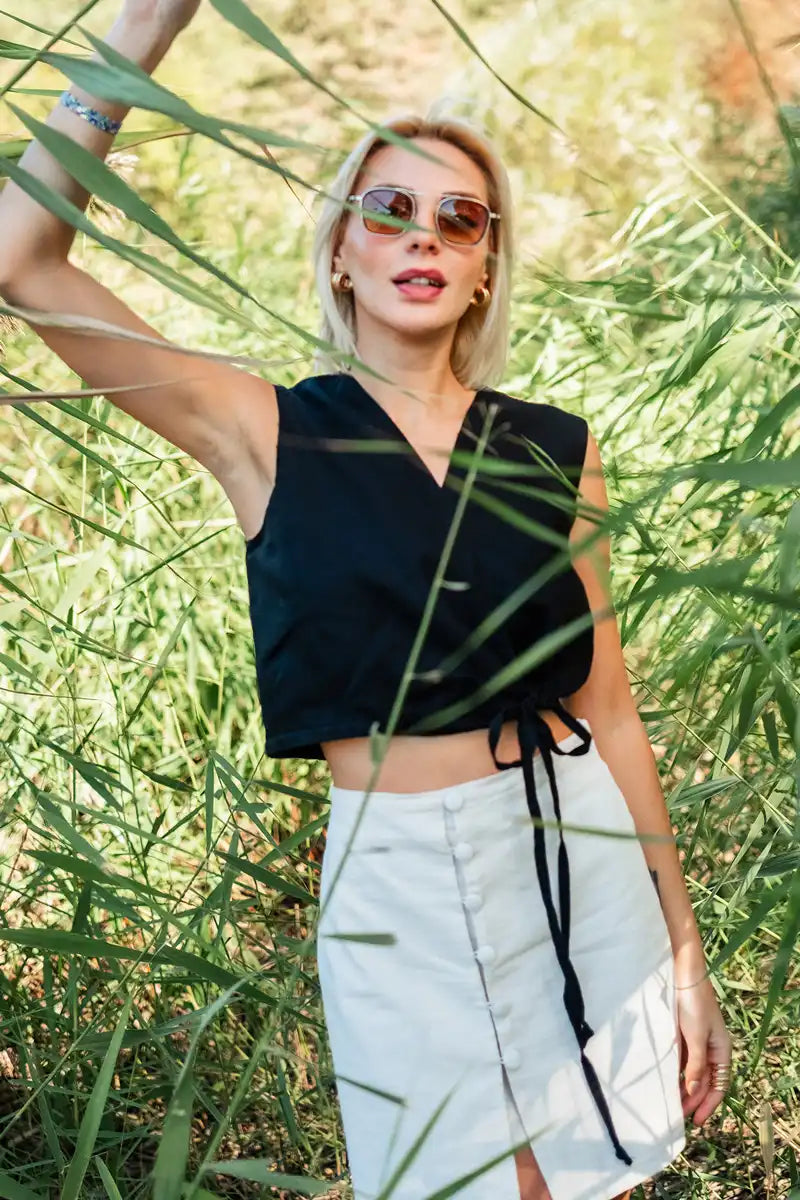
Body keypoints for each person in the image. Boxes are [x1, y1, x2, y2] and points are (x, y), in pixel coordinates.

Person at [0, 2, 732, 1198]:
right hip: (394, 879)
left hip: (573, 839)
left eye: (458, 216)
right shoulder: (262, 429)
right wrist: (144, 26)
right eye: (386, 209)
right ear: (339, 248)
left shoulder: (556, 448)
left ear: (486, 259)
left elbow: (612, 709)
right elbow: (20, 260)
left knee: (600, 1173)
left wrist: (687, 950)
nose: (422, 234)